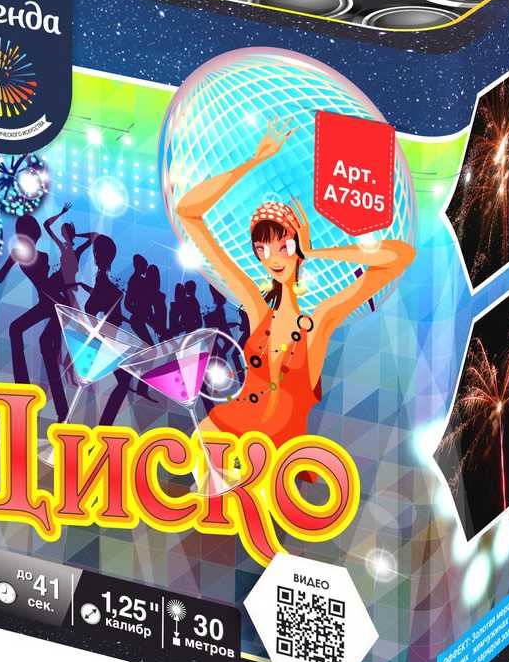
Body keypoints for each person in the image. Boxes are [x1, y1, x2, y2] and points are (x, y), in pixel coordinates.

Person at [175, 118, 415, 451]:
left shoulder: (320, 319)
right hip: (225, 435)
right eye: (262, 249)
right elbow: (188, 212)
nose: (272, 258)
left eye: (283, 246)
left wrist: (314, 251)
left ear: (297, 248)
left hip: (283, 459)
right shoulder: (258, 310)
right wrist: (253, 161)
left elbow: (400, 256)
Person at [0, 214, 71, 420]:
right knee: (18, 330)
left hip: (56, 304)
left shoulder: (41, 256)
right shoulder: (20, 254)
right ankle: (24, 389)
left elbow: (45, 278)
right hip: (47, 304)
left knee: (45, 346)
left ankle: (60, 410)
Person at [80, 235, 133, 426]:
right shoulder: (102, 279)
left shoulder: (101, 278)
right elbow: (93, 304)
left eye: (96, 252)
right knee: (124, 380)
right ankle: (104, 426)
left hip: (106, 337)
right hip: (105, 339)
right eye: (94, 252)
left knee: (124, 380)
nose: (94, 255)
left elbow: (96, 300)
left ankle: (104, 426)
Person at [43, 202, 97, 309]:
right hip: (58, 283)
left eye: (66, 232)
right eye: (64, 233)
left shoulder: (76, 251)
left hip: (67, 286)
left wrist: (75, 234)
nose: (65, 235)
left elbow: (95, 235)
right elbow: (46, 225)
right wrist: (61, 213)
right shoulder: (64, 248)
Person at [124, 253, 155, 344]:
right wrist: (140, 312)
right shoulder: (134, 281)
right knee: (150, 346)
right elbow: (127, 304)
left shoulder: (142, 281)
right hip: (138, 321)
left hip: (142, 319)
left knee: (151, 346)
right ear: (139, 266)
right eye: (145, 265)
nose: (146, 268)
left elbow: (147, 304)